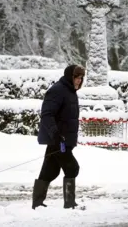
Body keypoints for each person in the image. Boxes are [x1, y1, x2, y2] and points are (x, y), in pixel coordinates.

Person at [32, 64, 85, 210]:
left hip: (64, 140)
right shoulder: (57, 90)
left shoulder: (70, 91)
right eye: (76, 77)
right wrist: (55, 134)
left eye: (81, 78)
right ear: (70, 76)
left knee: (49, 171)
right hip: (58, 140)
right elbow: (47, 115)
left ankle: (37, 204)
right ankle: (69, 204)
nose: (79, 81)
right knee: (72, 168)